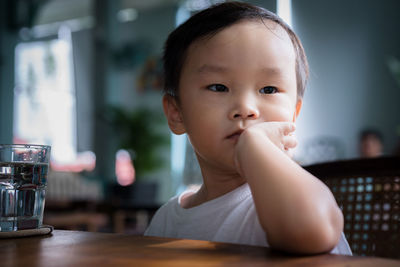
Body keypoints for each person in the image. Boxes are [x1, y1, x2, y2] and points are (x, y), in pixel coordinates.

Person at [145, 2, 351, 255]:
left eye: (269, 89)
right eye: (218, 87)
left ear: (293, 116)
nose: (246, 108)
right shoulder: (167, 220)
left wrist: (255, 145)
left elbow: (314, 232)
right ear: (177, 114)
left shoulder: (287, 199)